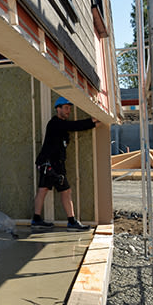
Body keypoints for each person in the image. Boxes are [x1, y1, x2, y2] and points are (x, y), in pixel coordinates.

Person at [30, 96, 99, 231]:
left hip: (50, 164)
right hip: (51, 165)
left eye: (69, 109)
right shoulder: (55, 123)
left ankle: (37, 219)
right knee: (65, 191)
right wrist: (93, 122)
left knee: (44, 190)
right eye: (66, 108)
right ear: (58, 109)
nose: (68, 111)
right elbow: (74, 126)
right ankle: (71, 222)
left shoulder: (60, 126)